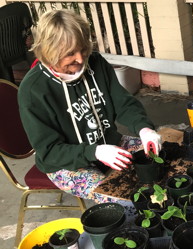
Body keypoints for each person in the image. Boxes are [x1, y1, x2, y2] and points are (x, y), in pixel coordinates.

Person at [18, 9, 162, 203]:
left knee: (163, 158)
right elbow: (50, 151)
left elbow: (123, 103)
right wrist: (95, 151)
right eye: (70, 53)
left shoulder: (95, 62)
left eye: (82, 49)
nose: (80, 59)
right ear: (49, 52)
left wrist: (144, 129)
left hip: (108, 143)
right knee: (121, 199)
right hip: (65, 164)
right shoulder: (33, 90)